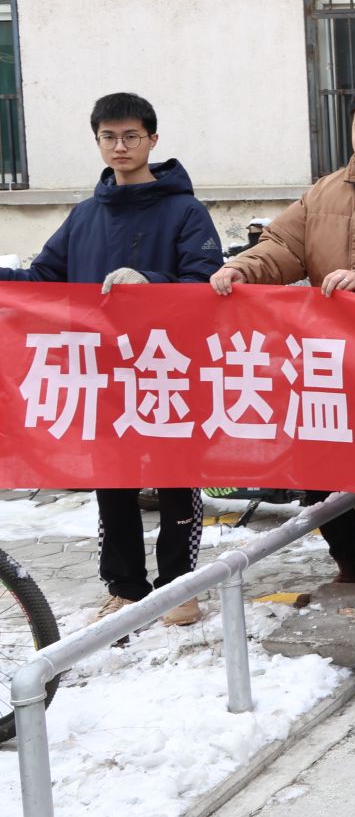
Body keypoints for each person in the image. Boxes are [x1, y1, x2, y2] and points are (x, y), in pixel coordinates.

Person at [0, 93, 222, 626]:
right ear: (97, 140)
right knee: (113, 483)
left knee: (176, 481)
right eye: (108, 137)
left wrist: (151, 283)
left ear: (152, 139)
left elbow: (205, 284)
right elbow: (44, 280)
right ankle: (124, 588)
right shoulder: (85, 215)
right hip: (102, 370)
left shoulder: (186, 212)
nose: (120, 146)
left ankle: (180, 589)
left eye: (131, 136)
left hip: (168, 369)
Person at [211, 81, 355, 582]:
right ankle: (350, 565)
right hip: (331, 356)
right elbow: (284, 245)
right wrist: (244, 268)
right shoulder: (325, 190)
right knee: (321, 462)